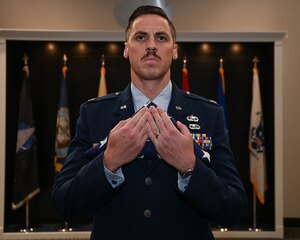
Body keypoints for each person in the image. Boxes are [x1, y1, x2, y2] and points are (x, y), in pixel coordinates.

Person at [52, 5, 247, 240]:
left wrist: (189, 167)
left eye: (161, 37)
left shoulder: (209, 113)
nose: (151, 45)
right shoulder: (94, 113)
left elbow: (233, 209)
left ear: (174, 50)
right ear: (126, 49)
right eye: (141, 37)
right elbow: (65, 203)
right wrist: (108, 162)